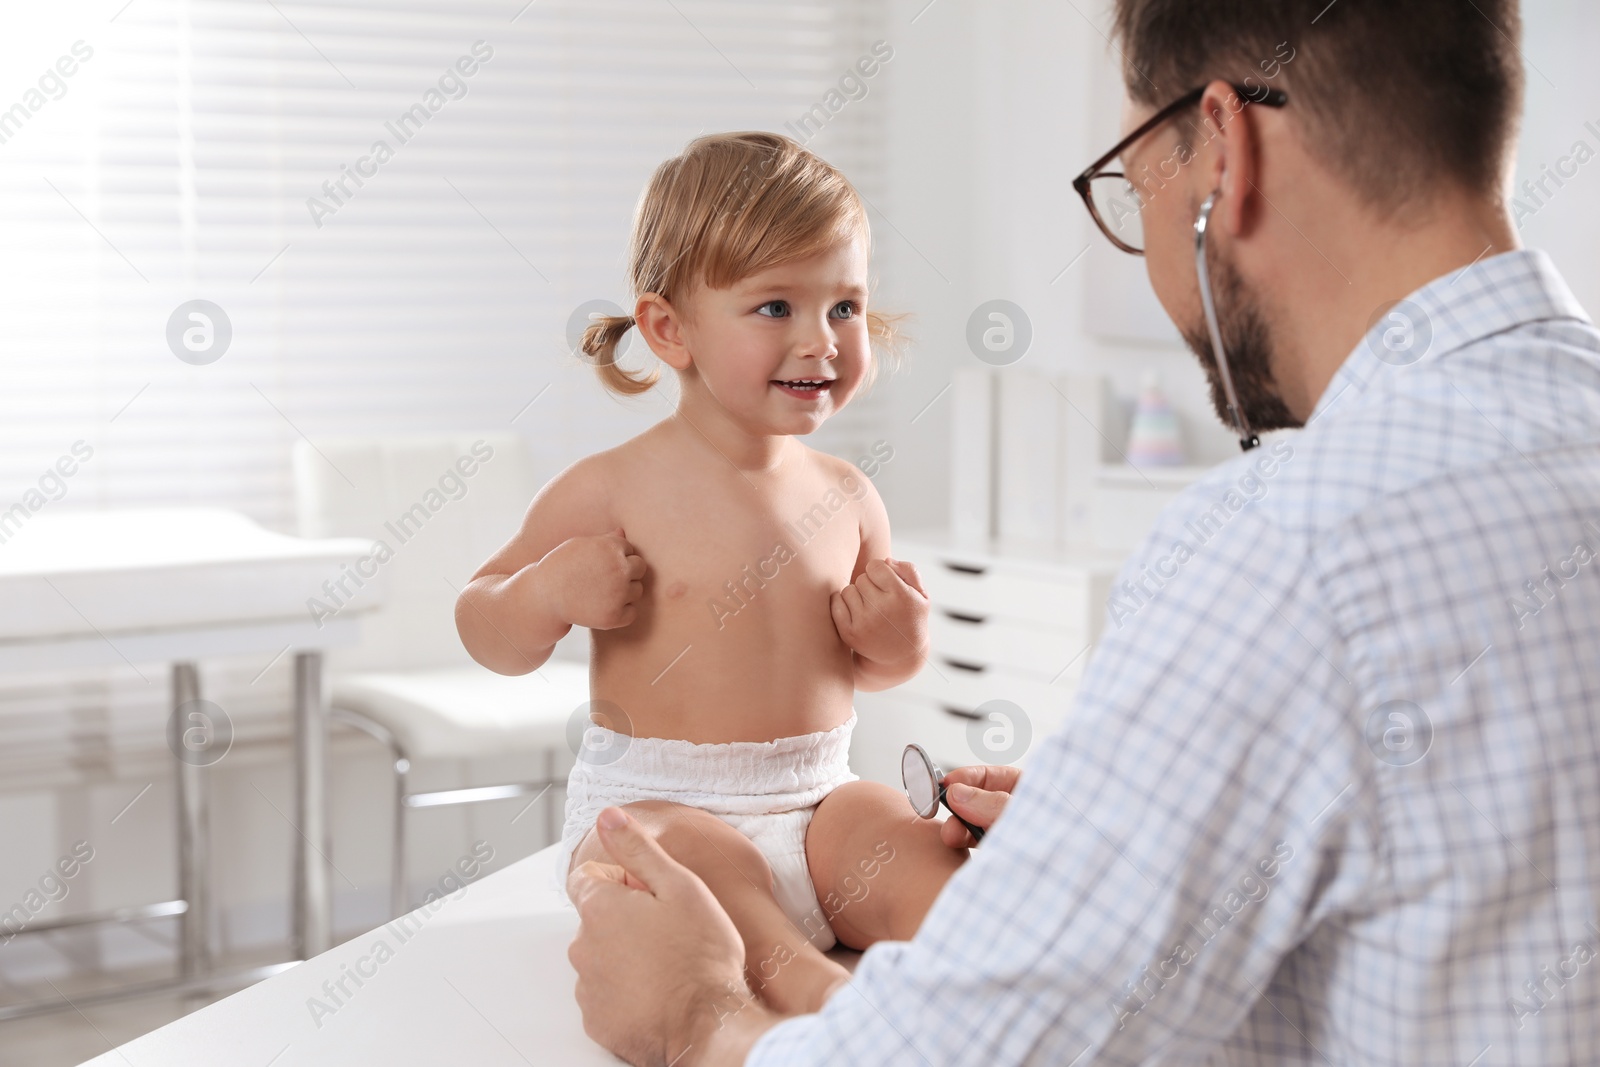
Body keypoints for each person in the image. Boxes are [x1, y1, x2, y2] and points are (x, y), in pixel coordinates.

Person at [565, 0, 1600, 1064]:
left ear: (1222, 151)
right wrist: (1126, 844)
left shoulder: (1287, 543)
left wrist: (701, 1013)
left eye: (1127, 188)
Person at [456, 132, 970, 1018]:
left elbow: (874, 672)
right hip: (655, 806)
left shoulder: (847, 495)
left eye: (845, 306)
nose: (823, 340)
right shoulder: (609, 488)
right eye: (776, 307)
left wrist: (898, 641)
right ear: (669, 329)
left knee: (914, 846)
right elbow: (481, 621)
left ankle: (984, 957)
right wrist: (543, 594)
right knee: (703, 863)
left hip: (819, 803)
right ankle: (822, 998)